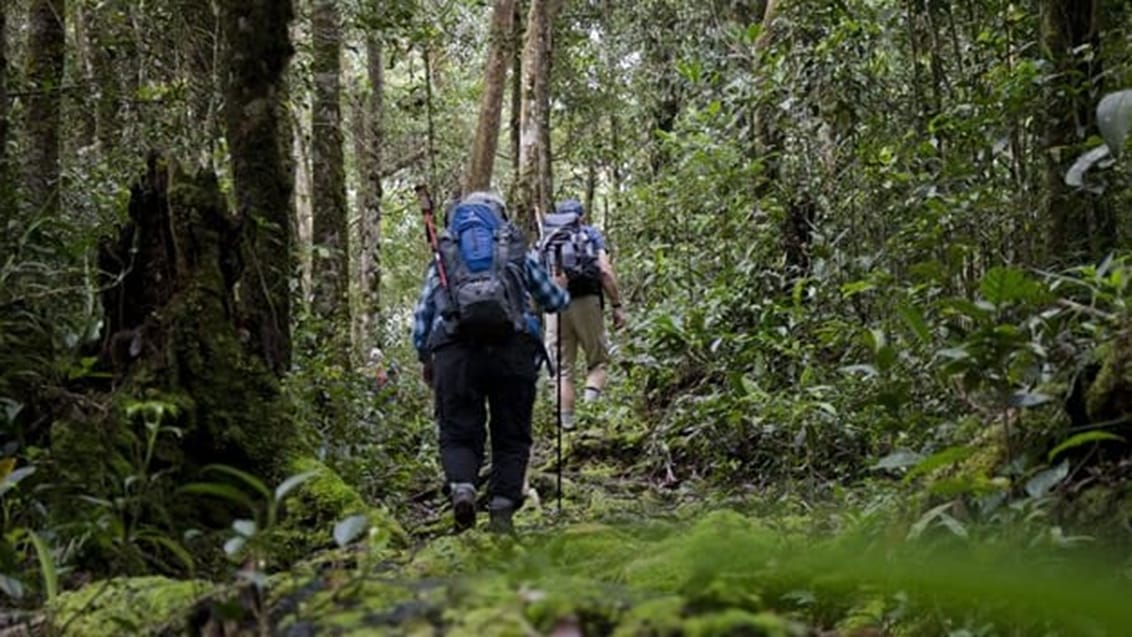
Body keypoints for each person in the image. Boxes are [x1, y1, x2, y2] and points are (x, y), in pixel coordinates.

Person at [412, 191, 570, 533]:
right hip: (512, 350)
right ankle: (501, 510)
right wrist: (561, 287)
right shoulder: (511, 249)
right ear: (498, 216)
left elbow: (424, 314)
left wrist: (425, 356)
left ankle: (463, 490)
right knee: (512, 435)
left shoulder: (445, 255)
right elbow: (553, 301)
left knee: (457, 432)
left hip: (455, 352)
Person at [543, 198, 625, 429]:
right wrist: (617, 305)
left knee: (562, 370)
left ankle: (567, 428)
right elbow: (605, 271)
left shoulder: (548, 237)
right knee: (598, 362)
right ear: (582, 216)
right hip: (587, 300)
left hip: (555, 304)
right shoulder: (590, 235)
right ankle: (589, 417)